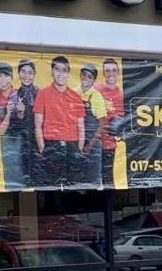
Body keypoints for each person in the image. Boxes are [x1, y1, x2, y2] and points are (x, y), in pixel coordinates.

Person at [34, 55, 85, 187]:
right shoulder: (43, 94)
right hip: (51, 146)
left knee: (71, 190)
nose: (60, 73)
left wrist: (78, 150)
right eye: (57, 69)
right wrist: (42, 148)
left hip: (72, 147)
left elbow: (81, 126)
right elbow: (37, 124)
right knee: (50, 190)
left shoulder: (76, 97)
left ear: (68, 73)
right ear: (52, 72)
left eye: (64, 70)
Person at [0, 61, 27, 190]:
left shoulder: (21, 94)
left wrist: (21, 110)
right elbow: (1, 131)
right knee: (13, 174)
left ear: (11, 78)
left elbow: (30, 120)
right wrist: (8, 114)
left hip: (26, 139)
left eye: (6, 76)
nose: (3, 80)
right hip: (8, 143)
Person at [75, 62, 108, 188]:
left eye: (89, 77)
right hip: (76, 141)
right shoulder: (73, 93)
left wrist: (90, 145)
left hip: (92, 143)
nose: (86, 79)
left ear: (93, 80)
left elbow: (102, 124)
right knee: (76, 180)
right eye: (84, 75)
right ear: (80, 76)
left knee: (92, 179)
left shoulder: (96, 96)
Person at [97, 58, 125, 188]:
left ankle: (109, 209)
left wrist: (118, 122)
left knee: (108, 180)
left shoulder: (122, 96)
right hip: (94, 143)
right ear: (103, 73)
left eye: (114, 70)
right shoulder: (95, 90)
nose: (110, 74)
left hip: (109, 145)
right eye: (107, 71)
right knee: (92, 180)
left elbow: (126, 120)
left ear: (118, 73)